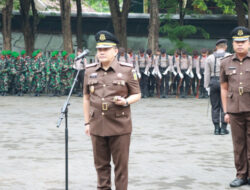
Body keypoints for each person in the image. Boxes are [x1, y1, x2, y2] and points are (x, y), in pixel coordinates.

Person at [83, 30, 141, 190]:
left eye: (105, 49)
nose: (101, 52)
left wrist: (126, 101)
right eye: (99, 49)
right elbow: (86, 97)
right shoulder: (89, 70)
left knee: (121, 168)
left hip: (119, 125)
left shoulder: (127, 70)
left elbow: (137, 94)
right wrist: (87, 122)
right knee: (101, 166)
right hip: (97, 124)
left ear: (115, 51)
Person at [220, 26, 250, 187]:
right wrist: (226, 111)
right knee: (238, 145)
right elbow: (224, 88)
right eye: (237, 42)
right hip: (235, 111)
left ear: (249, 43)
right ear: (233, 43)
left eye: (243, 42)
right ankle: (241, 174)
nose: (240, 45)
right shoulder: (225, 62)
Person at [204, 39, 230, 135]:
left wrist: (206, 86)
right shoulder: (229, 56)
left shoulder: (209, 57)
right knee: (225, 106)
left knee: (215, 106)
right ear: (225, 47)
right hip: (226, 82)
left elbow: (206, 73)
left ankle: (216, 128)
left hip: (213, 81)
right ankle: (223, 128)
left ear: (216, 47)